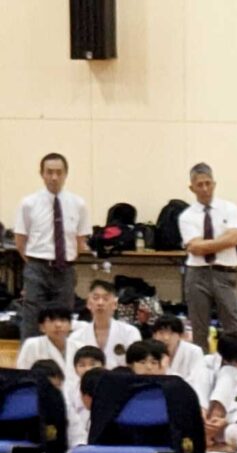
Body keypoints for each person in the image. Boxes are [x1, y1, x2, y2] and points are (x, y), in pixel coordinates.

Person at [13, 153, 90, 340]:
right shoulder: (28, 203)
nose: (54, 177)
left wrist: (64, 260)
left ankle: (60, 362)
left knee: (62, 319)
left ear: (66, 174)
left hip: (65, 269)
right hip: (37, 267)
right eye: (49, 172)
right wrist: (36, 263)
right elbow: (20, 241)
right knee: (32, 317)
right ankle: (29, 365)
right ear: (42, 174)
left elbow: (80, 242)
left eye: (59, 172)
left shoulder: (79, 204)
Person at [177, 162, 237, 353]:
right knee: (199, 328)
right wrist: (230, 240)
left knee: (234, 324)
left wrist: (206, 244)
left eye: (208, 183)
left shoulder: (229, 208)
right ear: (192, 188)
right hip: (197, 274)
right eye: (200, 185)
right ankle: (201, 368)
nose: (205, 188)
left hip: (224, 272)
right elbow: (196, 249)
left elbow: (230, 236)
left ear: (214, 184)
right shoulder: (186, 216)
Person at [69, 280, 142, 369]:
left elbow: (137, 366)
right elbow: (72, 371)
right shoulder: (76, 337)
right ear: (88, 303)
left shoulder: (130, 332)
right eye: (95, 298)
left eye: (106, 299)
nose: (100, 303)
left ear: (115, 304)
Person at [152, 315, 209, 409]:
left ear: (180, 335)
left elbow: (199, 381)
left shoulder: (194, 351)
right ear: (154, 335)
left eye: (171, 333)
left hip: (188, 398)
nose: (166, 338)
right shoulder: (149, 352)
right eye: (161, 333)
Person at [16, 305, 78, 375]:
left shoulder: (78, 346)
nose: (58, 325)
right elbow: (23, 373)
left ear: (70, 325)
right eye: (51, 320)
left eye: (63, 320)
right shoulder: (32, 345)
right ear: (42, 327)